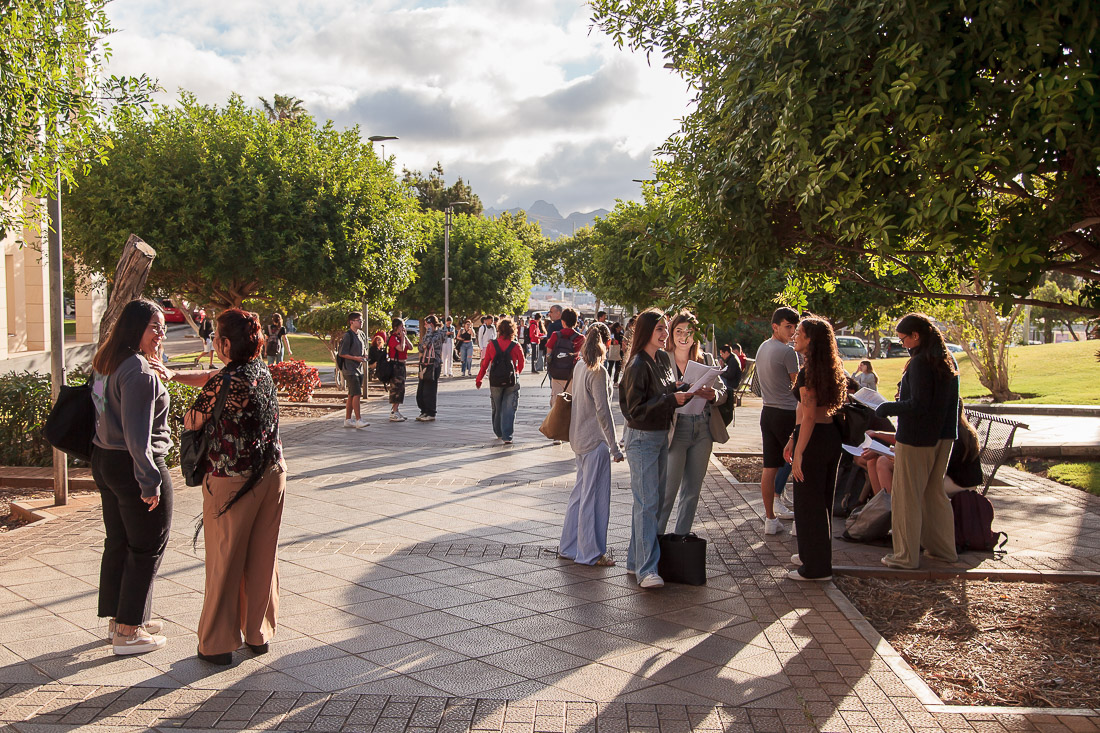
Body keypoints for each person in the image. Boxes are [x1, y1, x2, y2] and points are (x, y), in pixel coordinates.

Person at [185, 309, 286, 665]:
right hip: (271, 473)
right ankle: (257, 634)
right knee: (262, 557)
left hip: (231, 481)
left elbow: (192, 420)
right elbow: (225, 381)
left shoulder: (222, 383)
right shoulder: (262, 372)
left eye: (217, 339)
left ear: (226, 343)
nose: (214, 343)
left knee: (224, 561)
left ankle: (216, 644)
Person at [91, 299, 174, 655]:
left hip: (105, 460)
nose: (161, 333)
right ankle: (128, 631)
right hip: (134, 465)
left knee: (120, 542)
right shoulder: (137, 371)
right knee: (146, 547)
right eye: (154, 326)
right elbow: (137, 435)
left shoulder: (106, 364)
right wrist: (149, 480)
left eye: (162, 327)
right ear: (134, 327)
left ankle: (121, 619)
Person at [874, 313, 961, 569]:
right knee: (934, 494)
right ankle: (944, 550)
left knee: (906, 497)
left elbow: (919, 405)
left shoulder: (921, 362)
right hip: (944, 436)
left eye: (904, 339)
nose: (902, 344)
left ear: (916, 336)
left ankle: (904, 556)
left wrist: (887, 408)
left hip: (916, 438)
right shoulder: (945, 359)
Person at [619, 309, 694, 588]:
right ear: (647, 331)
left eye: (666, 328)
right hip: (642, 439)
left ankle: (634, 561)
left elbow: (660, 393)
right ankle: (647, 570)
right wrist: (671, 399)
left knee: (648, 502)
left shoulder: (661, 359)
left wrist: (678, 389)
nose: (665, 334)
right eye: (660, 329)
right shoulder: (637, 364)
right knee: (649, 502)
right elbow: (635, 411)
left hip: (661, 436)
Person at [782, 317, 847, 581]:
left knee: (809, 504)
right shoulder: (826, 368)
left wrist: (798, 454)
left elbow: (808, 416)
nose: (795, 336)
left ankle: (816, 568)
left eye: (799, 332)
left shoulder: (811, 372)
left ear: (811, 339)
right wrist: (792, 438)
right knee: (820, 503)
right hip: (826, 436)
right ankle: (812, 555)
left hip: (815, 438)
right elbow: (805, 415)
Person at [658, 311, 723, 536]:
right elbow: (654, 393)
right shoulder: (662, 358)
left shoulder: (706, 359)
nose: (684, 336)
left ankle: (680, 541)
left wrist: (713, 394)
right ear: (671, 333)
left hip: (703, 427)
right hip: (677, 429)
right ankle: (654, 547)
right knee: (668, 491)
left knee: (692, 492)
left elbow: (722, 391)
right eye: (678, 331)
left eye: (689, 332)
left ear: (695, 335)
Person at [756, 307, 801, 533]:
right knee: (799, 461)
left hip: (768, 412)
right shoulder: (787, 352)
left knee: (770, 466)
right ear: (775, 327)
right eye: (788, 327)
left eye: (795, 327)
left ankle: (770, 519)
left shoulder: (763, 347)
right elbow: (798, 387)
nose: (792, 332)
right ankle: (799, 522)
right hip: (787, 412)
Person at [475, 317, 525, 444]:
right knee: (509, 408)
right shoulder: (515, 345)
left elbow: (485, 363)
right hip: (511, 380)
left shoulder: (492, 344)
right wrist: (517, 371)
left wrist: (479, 379)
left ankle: (498, 432)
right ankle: (507, 436)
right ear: (512, 330)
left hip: (495, 380)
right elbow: (522, 362)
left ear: (499, 330)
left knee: (497, 407)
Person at [545, 307, 584, 405]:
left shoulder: (555, 335)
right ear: (576, 322)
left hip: (557, 373)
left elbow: (548, 353)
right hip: (572, 374)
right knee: (571, 402)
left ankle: (556, 419)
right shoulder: (580, 338)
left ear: (563, 322)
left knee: (556, 403)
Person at [338, 312, 369, 429]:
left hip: (359, 368)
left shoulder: (361, 334)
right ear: (352, 322)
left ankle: (347, 419)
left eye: (362, 321)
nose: (361, 322)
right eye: (359, 320)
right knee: (357, 393)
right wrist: (355, 358)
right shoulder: (348, 336)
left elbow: (364, 348)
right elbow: (342, 353)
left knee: (351, 394)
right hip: (350, 369)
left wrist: (364, 355)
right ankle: (358, 419)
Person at [415, 315, 444, 422]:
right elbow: (420, 347)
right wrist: (424, 343)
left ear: (431, 324)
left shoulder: (439, 334)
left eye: (426, 324)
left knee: (430, 389)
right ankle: (424, 410)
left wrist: (429, 333)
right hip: (424, 364)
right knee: (421, 390)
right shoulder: (427, 335)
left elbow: (427, 344)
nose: (425, 326)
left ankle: (431, 412)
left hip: (433, 365)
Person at [387, 317, 412, 422]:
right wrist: (402, 338)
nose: (403, 328)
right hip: (395, 365)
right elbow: (401, 348)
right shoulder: (393, 338)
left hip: (402, 365)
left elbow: (410, 347)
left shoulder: (401, 337)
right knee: (396, 388)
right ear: (396, 327)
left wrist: (404, 337)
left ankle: (396, 410)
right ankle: (393, 411)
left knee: (401, 388)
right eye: (402, 326)